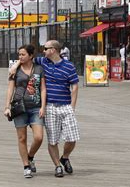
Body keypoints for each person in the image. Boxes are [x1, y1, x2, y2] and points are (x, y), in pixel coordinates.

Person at [10, 40, 80, 178]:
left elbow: (75, 86)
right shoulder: (43, 61)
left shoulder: (69, 66)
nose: (43, 50)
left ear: (53, 50)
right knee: (52, 140)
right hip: (49, 106)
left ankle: (65, 157)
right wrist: (15, 65)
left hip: (65, 105)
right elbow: (25, 57)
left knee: (72, 137)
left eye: (46, 48)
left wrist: (72, 107)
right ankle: (57, 166)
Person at [4, 44, 46, 178]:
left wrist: (43, 107)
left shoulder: (39, 69)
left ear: (31, 55)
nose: (20, 57)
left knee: (39, 137)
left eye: (23, 54)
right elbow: (10, 88)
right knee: (22, 138)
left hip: (35, 107)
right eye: (19, 55)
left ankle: (30, 156)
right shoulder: (15, 70)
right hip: (19, 107)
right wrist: (7, 107)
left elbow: (43, 89)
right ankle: (26, 166)